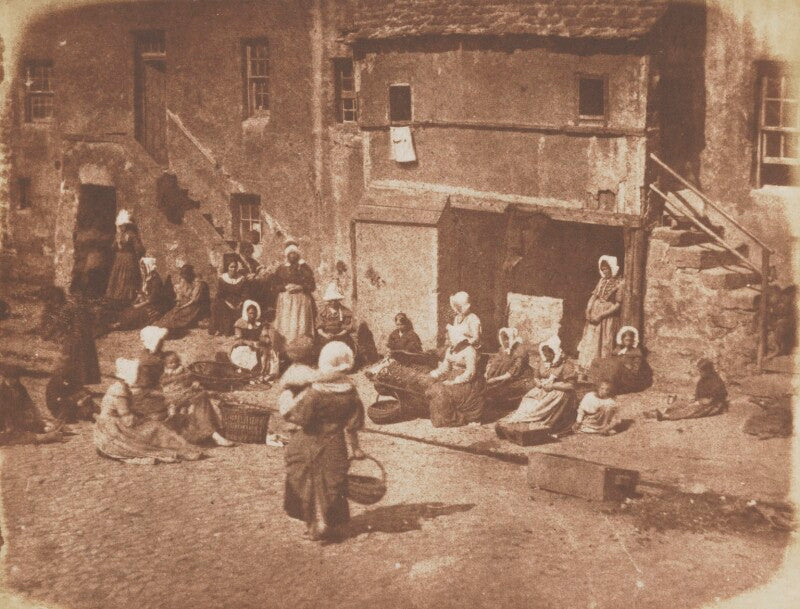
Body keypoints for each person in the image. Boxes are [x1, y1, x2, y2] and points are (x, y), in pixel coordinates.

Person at [282, 341, 366, 542]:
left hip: (309, 440)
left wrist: (287, 407)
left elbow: (301, 418)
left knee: (306, 481)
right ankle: (328, 522)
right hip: (335, 443)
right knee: (332, 483)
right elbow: (354, 423)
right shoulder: (350, 391)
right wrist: (355, 448)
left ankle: (313, 525)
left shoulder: (316, 392)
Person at [94, 358, 204, 464]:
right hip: (115, 428)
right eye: (137, 375)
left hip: (110, 423)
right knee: (156, 428)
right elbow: (127, 419)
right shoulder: (120, 392)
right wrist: (146, 419)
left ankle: (183, 448)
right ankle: (185, 451)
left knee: (155, 425)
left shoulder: (118, 386)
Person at [497, 335, 578, 436]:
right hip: (542, 389)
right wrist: (537, 382)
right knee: (528, 400)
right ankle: (523, 419)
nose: (546, 356)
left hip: (559, 391)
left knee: (541, 406)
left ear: (554, 352)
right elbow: (536, 376)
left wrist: (553, 386)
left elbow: (571, 386)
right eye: (544, 354)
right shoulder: (543, 361)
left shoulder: (566, 365)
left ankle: (535, 422)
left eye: (549, 354)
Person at [38, 286, 101, 386]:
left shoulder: (68, 308)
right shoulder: (83, 306)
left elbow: (60, 323)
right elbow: (93, 320)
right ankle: (79, 385)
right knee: (83, 364)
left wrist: (46, 335)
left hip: (74, 340)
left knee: (70, 364)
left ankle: (71, 386)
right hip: (87, 339)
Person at [425, 326, 485, 428]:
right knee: (433, 387)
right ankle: (443, 418)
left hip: (469, 383)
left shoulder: (469, 350)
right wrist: (433, 374)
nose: (446, 341)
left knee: (440, 390)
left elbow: (470, 372)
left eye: (448, 339)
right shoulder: (450, 350)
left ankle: (457, 418)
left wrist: (454, 382)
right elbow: (445, 368)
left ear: (456, 338)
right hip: (453, 377)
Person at [645, 358, 728, 421]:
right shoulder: (703, 380)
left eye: (702, 371)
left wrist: (701, 402)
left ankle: (666, 416)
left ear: (708, 370)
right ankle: (660, 412)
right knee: (681, 403)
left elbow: (715, 397)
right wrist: (694, 400)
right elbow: (698, 394)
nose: (700, 373)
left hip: (713, 406)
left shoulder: (716, 380)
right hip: (701, 401)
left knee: (692, 410)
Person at [578, 255, 623, 369]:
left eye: (606, 268)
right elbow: (593, 297)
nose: (604, 271)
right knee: (591, 339)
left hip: (607, 315)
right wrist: (588, 310)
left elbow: (618, 304)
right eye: (602, 269)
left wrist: (602, 315)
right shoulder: (602, 281)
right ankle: (587, 366)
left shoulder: (620, 283)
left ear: (612, 268)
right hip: (595, 312)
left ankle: (600, 367)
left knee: (604, 341)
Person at [1, 364, 61, 444]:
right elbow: (4, 411)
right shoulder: (1, 391)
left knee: (45, 426)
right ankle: (44, 436)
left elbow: (30, 404)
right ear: (5, 378)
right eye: (9, 379)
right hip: (7, 420)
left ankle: (44, 429)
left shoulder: (20, 388)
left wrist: (39, 419)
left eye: (14, 379)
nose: (12, 381)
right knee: (14, 434)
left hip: (21, 417)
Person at [273, 240, 316, 346]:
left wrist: (300, 287)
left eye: (294, 253)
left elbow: (312, 285)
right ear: (287, 255)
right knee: (287, 324)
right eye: (290, 253)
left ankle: (300, 349)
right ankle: (285, 347)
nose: (292, 256)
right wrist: (285, 287)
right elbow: (274, 286)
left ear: (298, 254)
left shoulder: (304, 268)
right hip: (286, 301)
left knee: (300, 324)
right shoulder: (281, 269)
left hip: (301, 301)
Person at [588, 326, 652, 395]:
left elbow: (635, 371)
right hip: (616, 373)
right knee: (597, 361)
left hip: (629, 378)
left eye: (630, 340)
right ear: (622, 340)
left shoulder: (636, 353)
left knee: (616, 365)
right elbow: (611, 361)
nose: (628, 342)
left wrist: (625, 366)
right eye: (626, 340)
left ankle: (610, 388)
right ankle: (598, 385)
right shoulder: (618, 350)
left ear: (633, 340)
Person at [113, 257, 168, 330]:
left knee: (134, 314)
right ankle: (118, 323)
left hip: (154, 306)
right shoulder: (147, 277)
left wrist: (138, 305)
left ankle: (118, 325)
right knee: (128, 310)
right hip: (145, 301)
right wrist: (136, 300)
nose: (142, 269)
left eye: (143, 267)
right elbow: (142, 291)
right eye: (141, 267)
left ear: (148, 267)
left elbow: (152, 299)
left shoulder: (156, 280)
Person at [231, 300, 280, 380]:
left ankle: (266, 373)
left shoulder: (260, 323)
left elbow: (264, 335)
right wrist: (247, 342)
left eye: (254, 313)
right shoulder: (240, 323)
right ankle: (251, 372)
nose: (252, 315)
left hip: (258, 345)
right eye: (250, 313)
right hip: (244, 346)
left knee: (268, 351)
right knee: (246, 355)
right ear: (246, 312)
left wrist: (265, 339)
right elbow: (237, 340)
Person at [105, 210, 146, 304]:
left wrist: (138, 252)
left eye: (123, 225)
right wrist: (117, 244)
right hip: (119, 259)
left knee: (127, 278)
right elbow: (113, 247)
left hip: (128, 259)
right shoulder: (120, 235)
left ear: (127, 225)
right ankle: (116, 299)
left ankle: (126, 299)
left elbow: (139, 248)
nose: (121, 227)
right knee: (118, 277)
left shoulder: (131, 234)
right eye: (120, 226)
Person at [484, 327, 533, 405]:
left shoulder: (520, 351)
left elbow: (511, 373)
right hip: (504, 377)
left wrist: (495, 379)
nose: (505, 342)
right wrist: (487, 372)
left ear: (512, 338)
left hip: (520, 378)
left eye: (507, 339)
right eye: (503, 339)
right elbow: (495, 362)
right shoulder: (503, 349)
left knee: (500, 394)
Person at [156, 264, 210, 333]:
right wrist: (179, 302)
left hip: (196, 306)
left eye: (184, 276)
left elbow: (193, 300)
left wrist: (182, 306)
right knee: (173, 313)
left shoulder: (199, 283)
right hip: (189, 302)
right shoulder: (187, 280)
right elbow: (182, 293)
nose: (183, 278)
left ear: (189, 274)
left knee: (179, 315)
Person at [45, 354, 97, 424]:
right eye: (69, 367)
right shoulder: (56, 381)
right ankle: (93, 415)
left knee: (84, 395)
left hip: (69, 403)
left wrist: (86, 394)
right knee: (82, 405)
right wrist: (76, 403)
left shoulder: (69, 377)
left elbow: (77, 388)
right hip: (59, 409)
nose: (72, 369)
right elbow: (57, 402)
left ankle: (95, 413)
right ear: (62, 368)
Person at [209, 254, 248, 336]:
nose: (233, 269)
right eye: (231, 267)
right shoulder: (223, 279)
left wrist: (240, 303)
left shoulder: (241, 279)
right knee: (217, 304)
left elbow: (244, 294)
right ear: (227, 268)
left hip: (238, 302)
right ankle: (219, 329)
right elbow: (220, 295)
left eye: (235, 267)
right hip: (226, 301)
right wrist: (229, 304)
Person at [317, 283, 355, 351]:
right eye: (331, 300)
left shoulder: (345, 311)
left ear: (338, 300)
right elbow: (319, 327)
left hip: (341, 336)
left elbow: (346, 328)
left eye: (335, 300)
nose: (333, 303)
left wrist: (337, 335)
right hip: (325, 337)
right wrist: (325, 335)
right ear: (328, 301)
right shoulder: (322, 312)